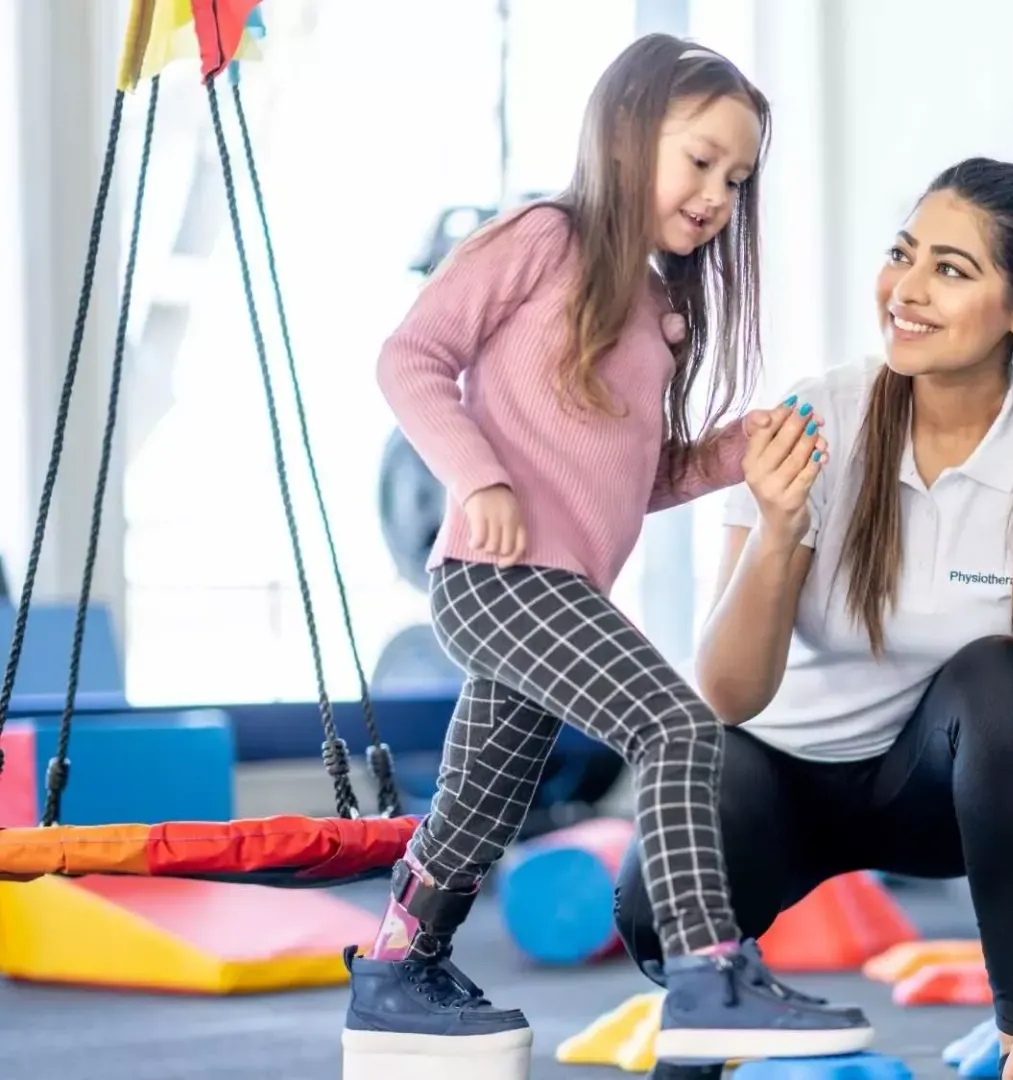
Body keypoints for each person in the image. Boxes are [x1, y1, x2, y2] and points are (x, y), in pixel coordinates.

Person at [344, 34, 871, 1080]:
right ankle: (710, 974)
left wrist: (732, 451)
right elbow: (411, 356)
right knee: (676, 724)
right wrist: (477, 477)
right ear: (629, 133)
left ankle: (399, 965)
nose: (718, 192)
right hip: (498, 578)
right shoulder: (544, 237)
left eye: (738, 177)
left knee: (480, 799)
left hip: (558, 589)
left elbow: (639, 477)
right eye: (702, 159)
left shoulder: (658, 310)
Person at [613, 157, 1013, 1080]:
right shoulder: (816, 417)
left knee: (1004, 679)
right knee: (647, 899)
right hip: (778, 781)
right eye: (903, 254)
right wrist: (781, 529)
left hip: (941, 800)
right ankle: (703, 1039)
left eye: (952, 270)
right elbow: (729, 693)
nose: (905, 290)